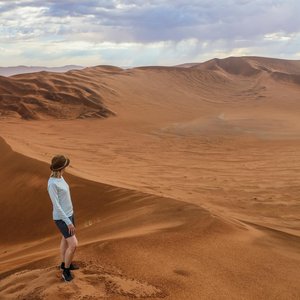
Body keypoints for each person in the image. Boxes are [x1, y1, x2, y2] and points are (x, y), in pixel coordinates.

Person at [47, 155, 79, 282]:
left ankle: (64, 263)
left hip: (69, 214)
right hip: (62, 218)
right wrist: (68, 222)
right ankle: (66, 272)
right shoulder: (52, 184)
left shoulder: (60, 177)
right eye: (65, 165)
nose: (67, 167)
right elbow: (57, 206)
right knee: (74, 244)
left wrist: (70, 216)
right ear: (61, 168)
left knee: (65, 239)